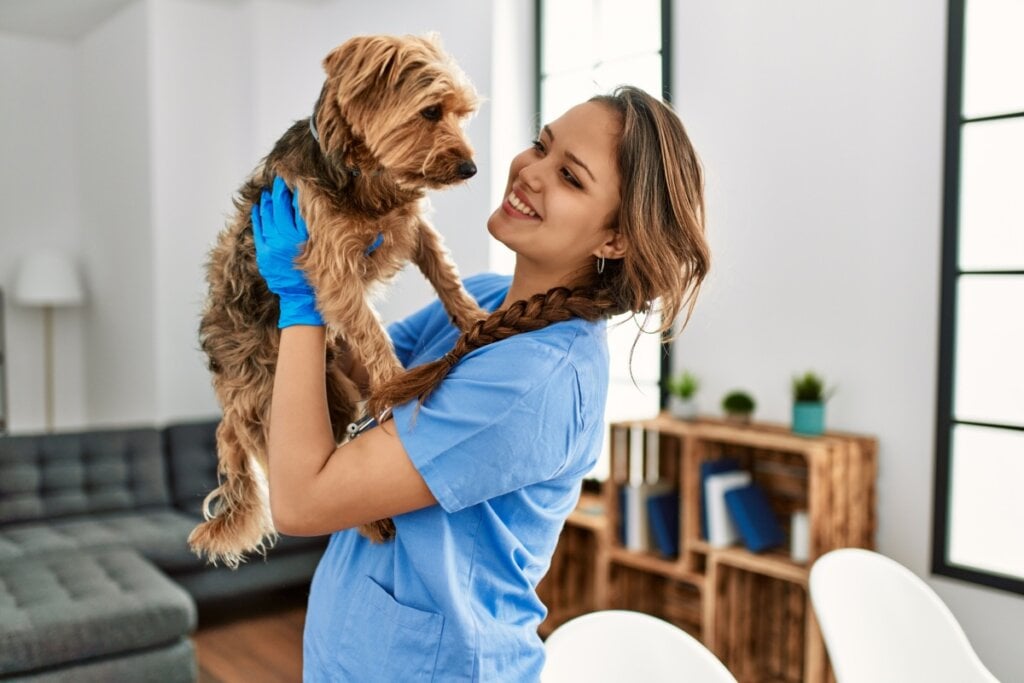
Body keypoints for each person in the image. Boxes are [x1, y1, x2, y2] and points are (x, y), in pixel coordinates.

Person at [252, 85, 710, 681]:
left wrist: (301, 301)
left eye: (570, 177)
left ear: (614, 239)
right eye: (540, 146)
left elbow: (301, 501)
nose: (531, 172)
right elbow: (356, 371)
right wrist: (337, 249)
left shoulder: (534, 382)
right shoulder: (487, 299)